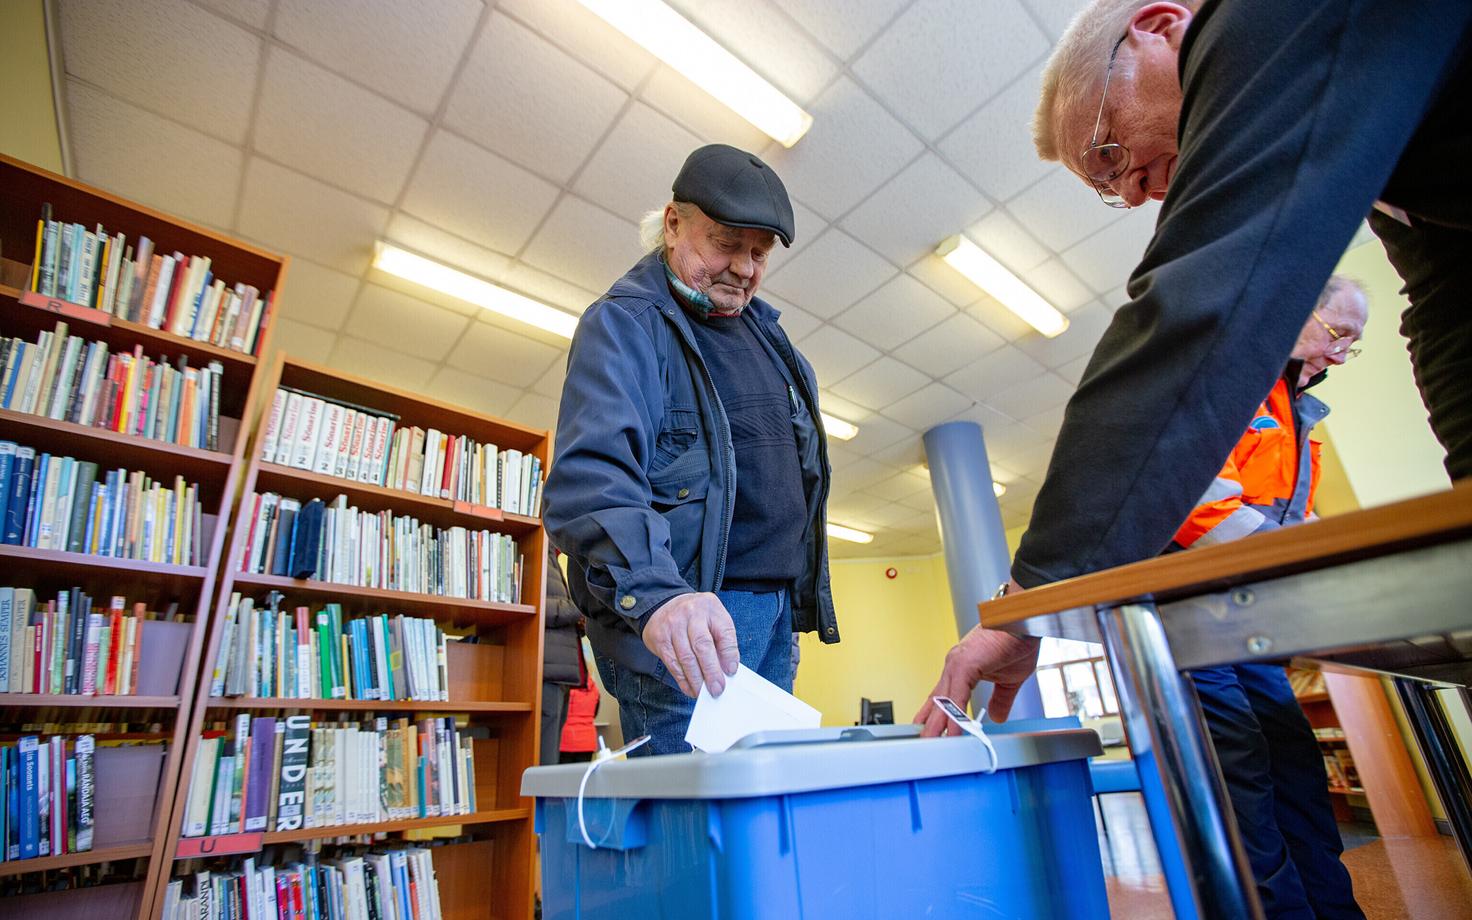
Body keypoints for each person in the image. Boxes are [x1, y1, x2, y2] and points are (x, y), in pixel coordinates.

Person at [921, 0, 1469, 724]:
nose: (1136, 192)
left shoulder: (1263, 18)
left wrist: (1032, 597)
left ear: (1157, 25)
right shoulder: (1393, 153)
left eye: (1109, 151)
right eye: (1109, 190)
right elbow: (1448, 303)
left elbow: (1202, 304)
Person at [544, 144, 836, 756]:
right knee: (697, 835)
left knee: (757, 823)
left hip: (773, 618)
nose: (744, 268)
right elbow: (591, 481)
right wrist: (659, 597)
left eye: (759, 254)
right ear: (673, 221)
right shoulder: (624, 324)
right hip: (685, 621)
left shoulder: (773, 341)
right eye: (727, 244)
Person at [1163, 278, 1368, 918]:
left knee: (1293, 764)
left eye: (1352, 345)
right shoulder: (1227, 378)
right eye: (1339, 334)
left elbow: (1294, 517)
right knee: (1242, 772)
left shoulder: (1299, 415)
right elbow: (1200, 507)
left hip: (1250, 605)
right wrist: (1286, 555)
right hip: (1196, 604)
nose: (1340, 355)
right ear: (1292, 310)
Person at [539, 545, 584, 766]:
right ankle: (539, 802)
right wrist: (579, 608)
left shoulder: (553, 559)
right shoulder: (539, 553)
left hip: (562, 670)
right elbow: (535, 607)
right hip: (548, 668)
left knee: (551, 754)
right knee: (545, 756)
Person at [559, 645, 601, 764]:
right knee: (582, 778)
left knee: (564, 778)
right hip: (588, 741)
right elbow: (595, 713)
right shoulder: (594, 689)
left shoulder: (566, 685)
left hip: (566, 740)